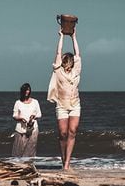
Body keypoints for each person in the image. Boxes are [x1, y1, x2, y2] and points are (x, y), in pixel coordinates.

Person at [47, 28, 81, 170]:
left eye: (69, 64)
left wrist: (73, 37)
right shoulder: (58, 70)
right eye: (65, 64)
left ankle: (67, 163)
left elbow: (78, 53)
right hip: (61, 104)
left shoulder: (76, 70)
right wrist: (61, 36)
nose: (67, 67)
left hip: (75, 104)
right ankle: (63, 159)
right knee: (63, 133)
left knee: (72, 131)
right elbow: (58, 53)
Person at [12, 83, 42, 157]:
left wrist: (33, 116)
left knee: (31, 150)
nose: (27, 92)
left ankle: (30, 165)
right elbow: (14, 115)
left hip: (32, 128)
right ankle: (18, 166)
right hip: (21, 129)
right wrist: (20, 118)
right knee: (18, 151)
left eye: (28, 90)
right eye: (25, 90)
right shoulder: (18, 102)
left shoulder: (35, 102)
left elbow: (39, 114)